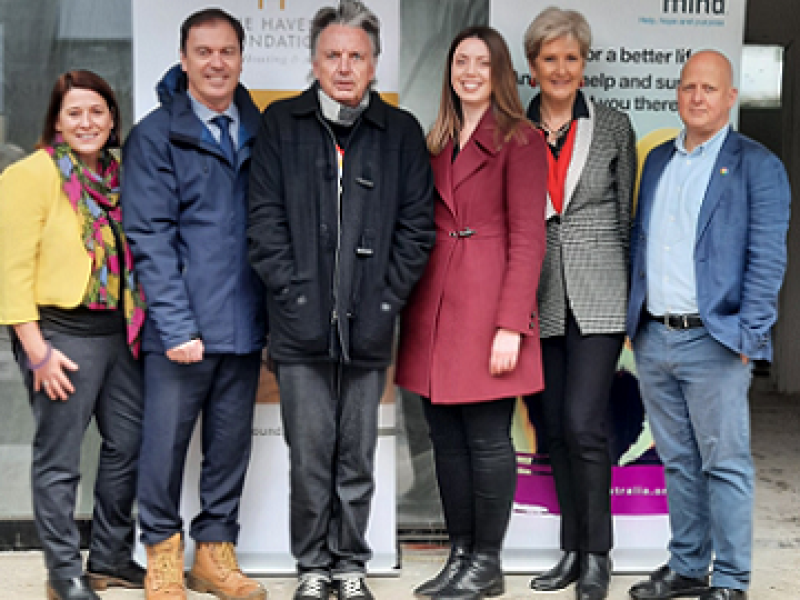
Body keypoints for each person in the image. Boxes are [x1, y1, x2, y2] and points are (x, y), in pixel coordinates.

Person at [247, 1, 434, 599]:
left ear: (375, 64)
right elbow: (264, 223)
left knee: (356, 457)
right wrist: (293, 295)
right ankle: (312, 568)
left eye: (357, 56)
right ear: (314, 61)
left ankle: (350, 563)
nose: (345, 66)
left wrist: (385, 300)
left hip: (370, 326)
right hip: (299, 329)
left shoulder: (399, 132)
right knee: (310, 458)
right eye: (334, 55)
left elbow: (416, 229)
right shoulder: (281, 124)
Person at [626, 50, 791, 600]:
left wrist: (748, 334)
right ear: (678, 93)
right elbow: (642, 242)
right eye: (689, 86)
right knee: (678, 463)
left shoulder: (756, 164)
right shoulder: (659, 161)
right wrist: (635, 319)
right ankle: (688, 568)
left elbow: (767, 260)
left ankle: (733, 580)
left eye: (710, 88)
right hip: (654, 337)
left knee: (725, 466)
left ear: (730, 98)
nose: (698, 97)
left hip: (714, 340)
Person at [396, 25, 548, 600]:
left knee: (486, 439)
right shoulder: (436, 139)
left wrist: (512, 323)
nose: (470, 71)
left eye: (482, 63)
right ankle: (460, 554)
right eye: (462, 61)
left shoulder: (520, 139)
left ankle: (487, 561)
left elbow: (529, 238)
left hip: (488, 307)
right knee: (444, 437)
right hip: (434, 304)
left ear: (500, 72)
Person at [121, 8, 267, 600]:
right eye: (203, 52)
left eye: (226, 51)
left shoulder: (261, 131)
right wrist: (177, 326)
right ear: (184, 59)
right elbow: (149, 238)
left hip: (243, 325)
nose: (215, 62)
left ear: (239, 57)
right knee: (163, 450)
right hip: (179, 333)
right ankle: (161, 555)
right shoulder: (156, 135)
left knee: (229, 451)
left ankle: (214, 557)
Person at [0, 70, 146, 600]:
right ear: (57, 122)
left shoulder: (123, 173)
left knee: (128, 443)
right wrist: (36, 350)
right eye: (74, 113)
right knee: (59, 458)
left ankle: (108, 557)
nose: (87, 122)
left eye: (97, 112)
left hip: (118, 330)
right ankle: (64, 573)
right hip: (59, 332)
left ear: (112, 119)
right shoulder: (30, 175)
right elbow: (10, 269)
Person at [520, 8, 637, 600]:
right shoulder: (515, 127)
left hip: (599, 296)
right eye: (550, 59)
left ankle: (599, 556)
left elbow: (624, 221)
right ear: (533, 67)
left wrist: (629, 302)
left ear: (583, 64)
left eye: (571, 57)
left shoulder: (614, 126)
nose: (561, 68)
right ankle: (571, 549)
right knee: (556, 431)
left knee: (585, 425)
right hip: (539, 297)